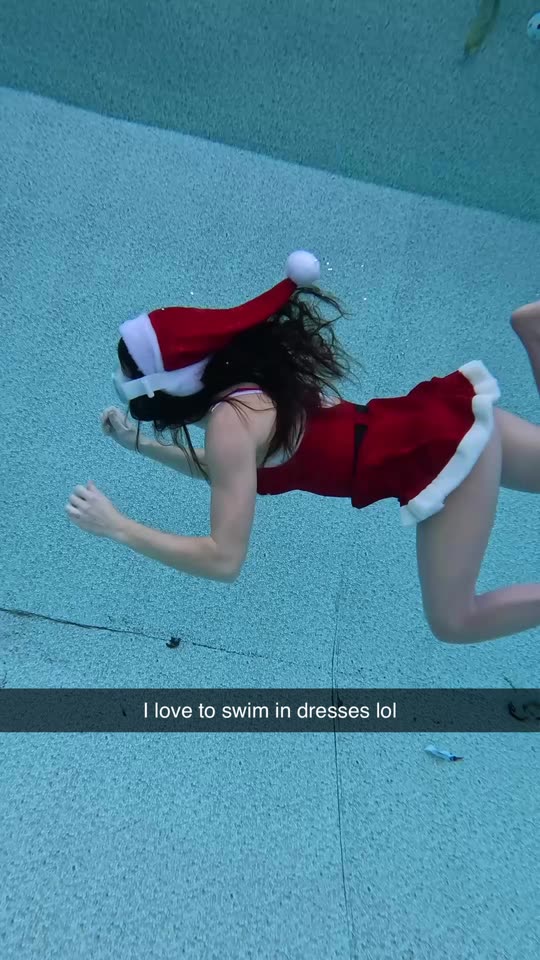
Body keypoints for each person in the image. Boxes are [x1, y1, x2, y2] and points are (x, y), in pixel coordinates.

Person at [66, 251, 540, 646]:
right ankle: (534, 331)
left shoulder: (230, 424)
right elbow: (229, 472)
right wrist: (139, 445)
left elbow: (223, 559)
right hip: (446, 418)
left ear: (167, 390)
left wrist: (118, 527)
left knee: (454, 621)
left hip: (440, 454)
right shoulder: (248, 386)